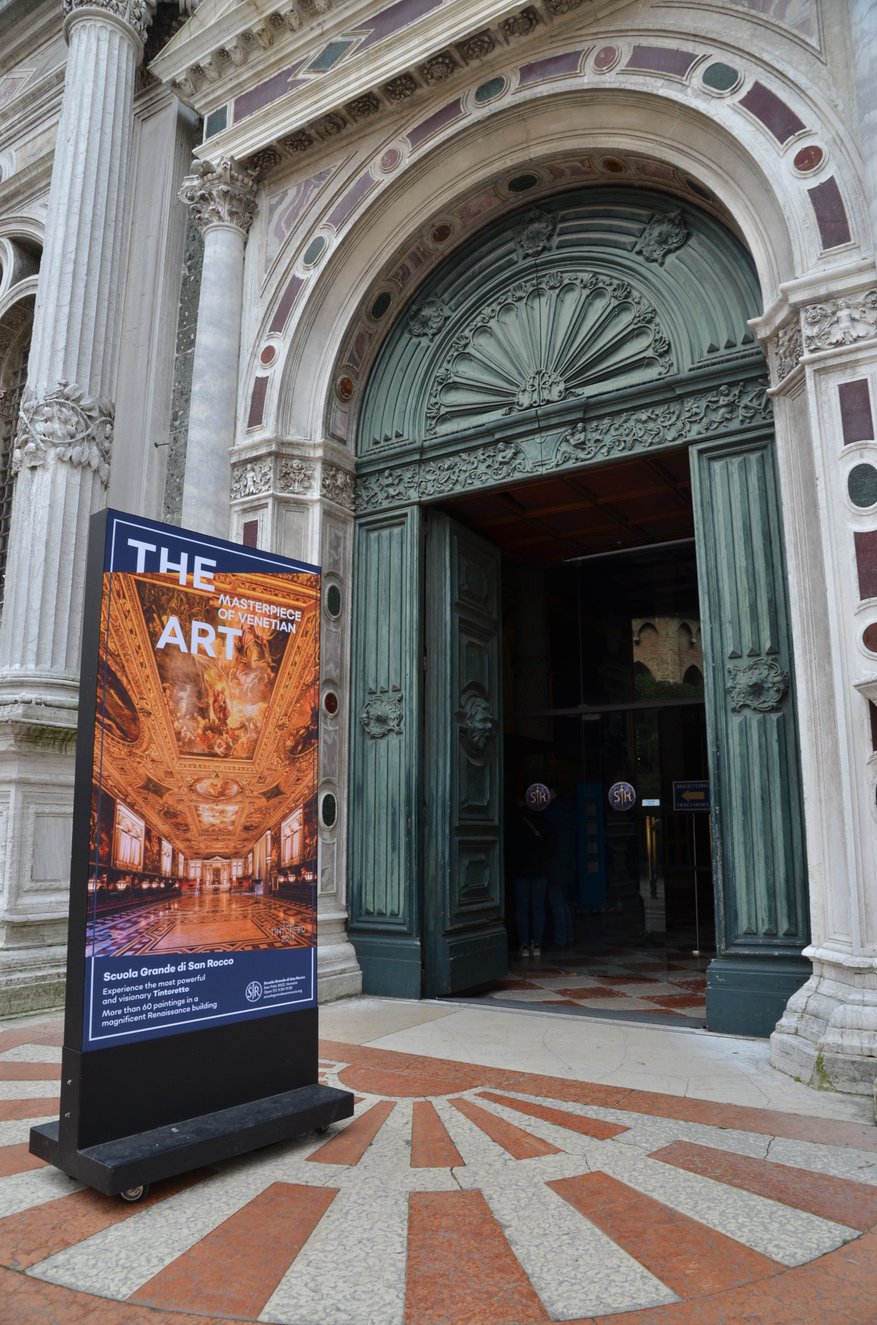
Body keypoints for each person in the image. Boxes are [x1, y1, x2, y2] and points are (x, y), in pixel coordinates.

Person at [509, 790, 554, 957]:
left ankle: (524, 944)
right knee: (538, 907)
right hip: (540, 870)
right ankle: (537, 944)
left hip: (521, 870)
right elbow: (552, 847)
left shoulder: (516, 822)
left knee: (522, 908)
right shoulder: (545, 820)